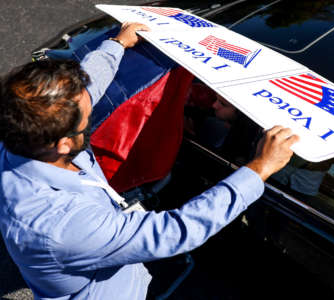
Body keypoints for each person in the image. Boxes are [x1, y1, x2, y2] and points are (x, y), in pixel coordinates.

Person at [0, 22, 299, 300]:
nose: (91, 110)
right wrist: (259, 168)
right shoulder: (64, 226)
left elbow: (86, 93)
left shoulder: (26, 135)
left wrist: (115, 45)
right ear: (64, 143)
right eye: (88, 120)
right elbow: (175, 231)